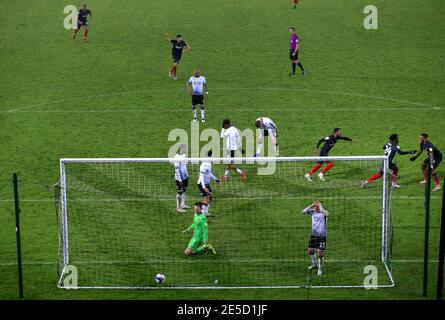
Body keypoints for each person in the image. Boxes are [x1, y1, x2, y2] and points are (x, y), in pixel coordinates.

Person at [302, 200, 329, 276]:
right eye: (315, 205)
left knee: (320, 253)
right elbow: (303, 212)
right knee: (310, 251)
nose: (316, 206)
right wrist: (311, 205)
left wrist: (320, 207)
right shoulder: (312, 212)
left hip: (322, 236)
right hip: (313, 236)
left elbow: (327, 213)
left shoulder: (324, 213)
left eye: (318, 205)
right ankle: (314, 263)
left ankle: (320, 269)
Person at [197, 150, 221, 216]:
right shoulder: (204, 165)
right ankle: (202, 212)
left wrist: (216, 179)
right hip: (202, 184)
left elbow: (209, 173)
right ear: (211, 156)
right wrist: (204, 187)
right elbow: (201, 177)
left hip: (207, 184)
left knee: (209, 197)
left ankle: (205, 212)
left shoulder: (209, 163)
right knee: (207, 197)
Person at [174, 144, 190, 212]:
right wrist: (180, 180)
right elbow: (177, 170)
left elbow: (184, 166)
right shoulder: (176, 157)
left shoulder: (184, 155)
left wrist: (187, 175)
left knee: (184, 190)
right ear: (181, 149)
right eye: (185, 149)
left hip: (185, 177)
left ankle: (183, 204)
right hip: (179, 178)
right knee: (179, 192)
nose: (186, 150)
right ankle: (178, 207)